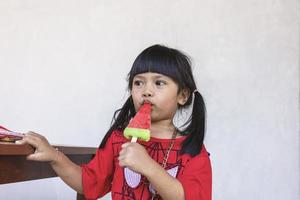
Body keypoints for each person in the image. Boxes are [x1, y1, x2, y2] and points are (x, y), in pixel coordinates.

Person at [17, 44, 212, 200]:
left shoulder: (193, 150)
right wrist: (54, 156)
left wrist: (148, 166)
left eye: (159, 83)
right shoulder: (118, 140)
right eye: (138, 82)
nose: (146, 91)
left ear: (183, 95)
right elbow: (88, 183)